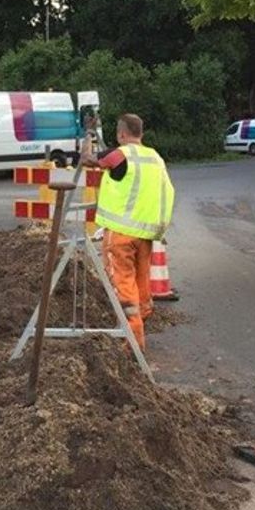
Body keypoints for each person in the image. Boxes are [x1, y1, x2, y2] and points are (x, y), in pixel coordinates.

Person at [79, 114, 174, 352]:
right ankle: (142, 318)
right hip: (146, 234)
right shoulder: (154, 157)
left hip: (121, 234)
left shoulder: (120, 154)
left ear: (122, 134)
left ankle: (131, 344)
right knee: (141, 281)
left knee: (121, 284)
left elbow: (86, 160)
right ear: (141, 133)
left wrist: (88, 135)